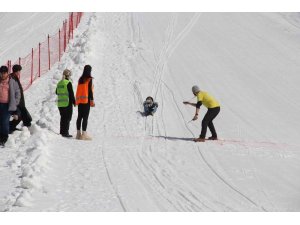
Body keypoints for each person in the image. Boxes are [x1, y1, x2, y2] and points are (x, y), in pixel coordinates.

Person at [0, 66, 21, 147]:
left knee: (4, 121)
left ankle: (4, 138)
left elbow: (18, 92)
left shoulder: (12, 81)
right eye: (1, 73)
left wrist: (15, 103)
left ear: (7, 73)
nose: (2, 75)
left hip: (7, 105)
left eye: (4, 73)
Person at [9, 64, 32, 133]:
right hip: (16, 102)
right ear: (17, 71)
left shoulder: (14, 77)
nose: (20, 72)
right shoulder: (12, 78)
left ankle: (26, 127)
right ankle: (10, 127)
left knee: (24, 116)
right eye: (19, 71)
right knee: (19, 115)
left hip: (20, 102)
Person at [75, 65, 95, 140]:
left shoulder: (80, 79)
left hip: (80, 101)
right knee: (85, 117)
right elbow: (90, 91)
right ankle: (84, 134)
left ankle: (78, 134)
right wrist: (92, 100)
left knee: (79, 117)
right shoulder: (89, 79)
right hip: (86, 101)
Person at [56, 69, 75, 138]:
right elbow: (71, 94)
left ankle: (62, 132)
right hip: (67, 103)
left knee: (63, 118)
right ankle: (65, 132)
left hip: (60, 104)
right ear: (68, 75)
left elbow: (56, 92)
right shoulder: (68, 83)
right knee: (67, 118)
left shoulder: (59, 83)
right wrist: (74, 102)